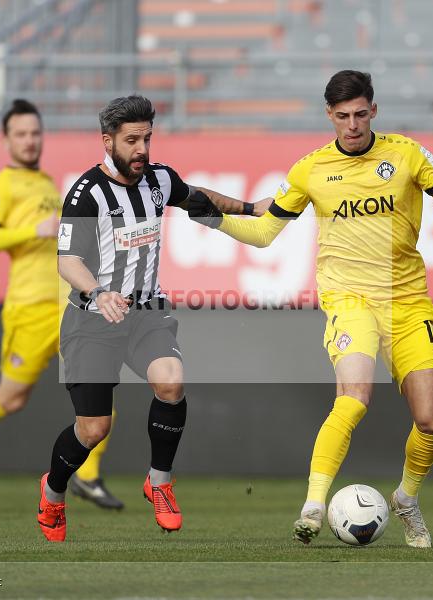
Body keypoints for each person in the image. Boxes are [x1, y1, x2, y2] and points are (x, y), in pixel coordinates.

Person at [187, 70, 433, 547]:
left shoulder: (405, 153)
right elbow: (265, 233)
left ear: (374, 111)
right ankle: (313, 506)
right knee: (354, 398)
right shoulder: (311, 170)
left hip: (407, 301)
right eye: (342, 116)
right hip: (349, 300)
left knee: (431, 420)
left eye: (360, 114)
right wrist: (214, 219)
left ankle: (406, 499)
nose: (352, 125)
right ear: (329, 115)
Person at [38, 95, 266, 542]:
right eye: (131, 140)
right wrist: (99, 292)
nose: (142, 149)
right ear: (108, 142)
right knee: (93, 429)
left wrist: (251, 208)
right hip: (92, 320)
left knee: (172, 382)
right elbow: (67, 261)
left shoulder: (159, 179)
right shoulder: (86, 194)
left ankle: (159, 482)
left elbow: (197, 198)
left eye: (146, 138)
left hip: (146, 313)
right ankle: (53, 488)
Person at [0, 99, 124, 510]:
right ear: (6, 140)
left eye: (35, 133)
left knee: (99, 389)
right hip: (29, 308)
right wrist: (31, 228)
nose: (30, 141)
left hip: (67, 305)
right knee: (10, 398)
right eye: (21, 134)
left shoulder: (47, 183)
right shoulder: (3, 185)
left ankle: (86, 476)